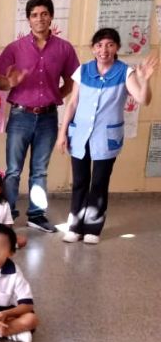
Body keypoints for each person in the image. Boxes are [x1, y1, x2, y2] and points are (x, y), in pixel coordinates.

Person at [56, 28, 157, 244]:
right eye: (99, 45)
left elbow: (143, 99)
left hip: (106, 137)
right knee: (80, 181)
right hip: (80, 135)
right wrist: (62, 133)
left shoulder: (124, 72)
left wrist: (145, 80)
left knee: (99, 183)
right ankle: (74, 226)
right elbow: (72, 103)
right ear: (93, 48)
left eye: (110, 44)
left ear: (117, 48)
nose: (104, 50)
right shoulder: (83, 71)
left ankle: (93, 227)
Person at [0, 0, 79, 233]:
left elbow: (73, 82)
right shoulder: (15, 48)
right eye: (34, 15)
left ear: (51, 17)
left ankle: (36, 214)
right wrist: (10, 81)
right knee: (13, 170)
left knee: (40, 170)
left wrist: (55, 96)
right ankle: (7, 214)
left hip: (48, 118)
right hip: (20, 116)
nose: (39, 18)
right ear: (28, 19)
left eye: (44, 14)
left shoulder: (64, 48)